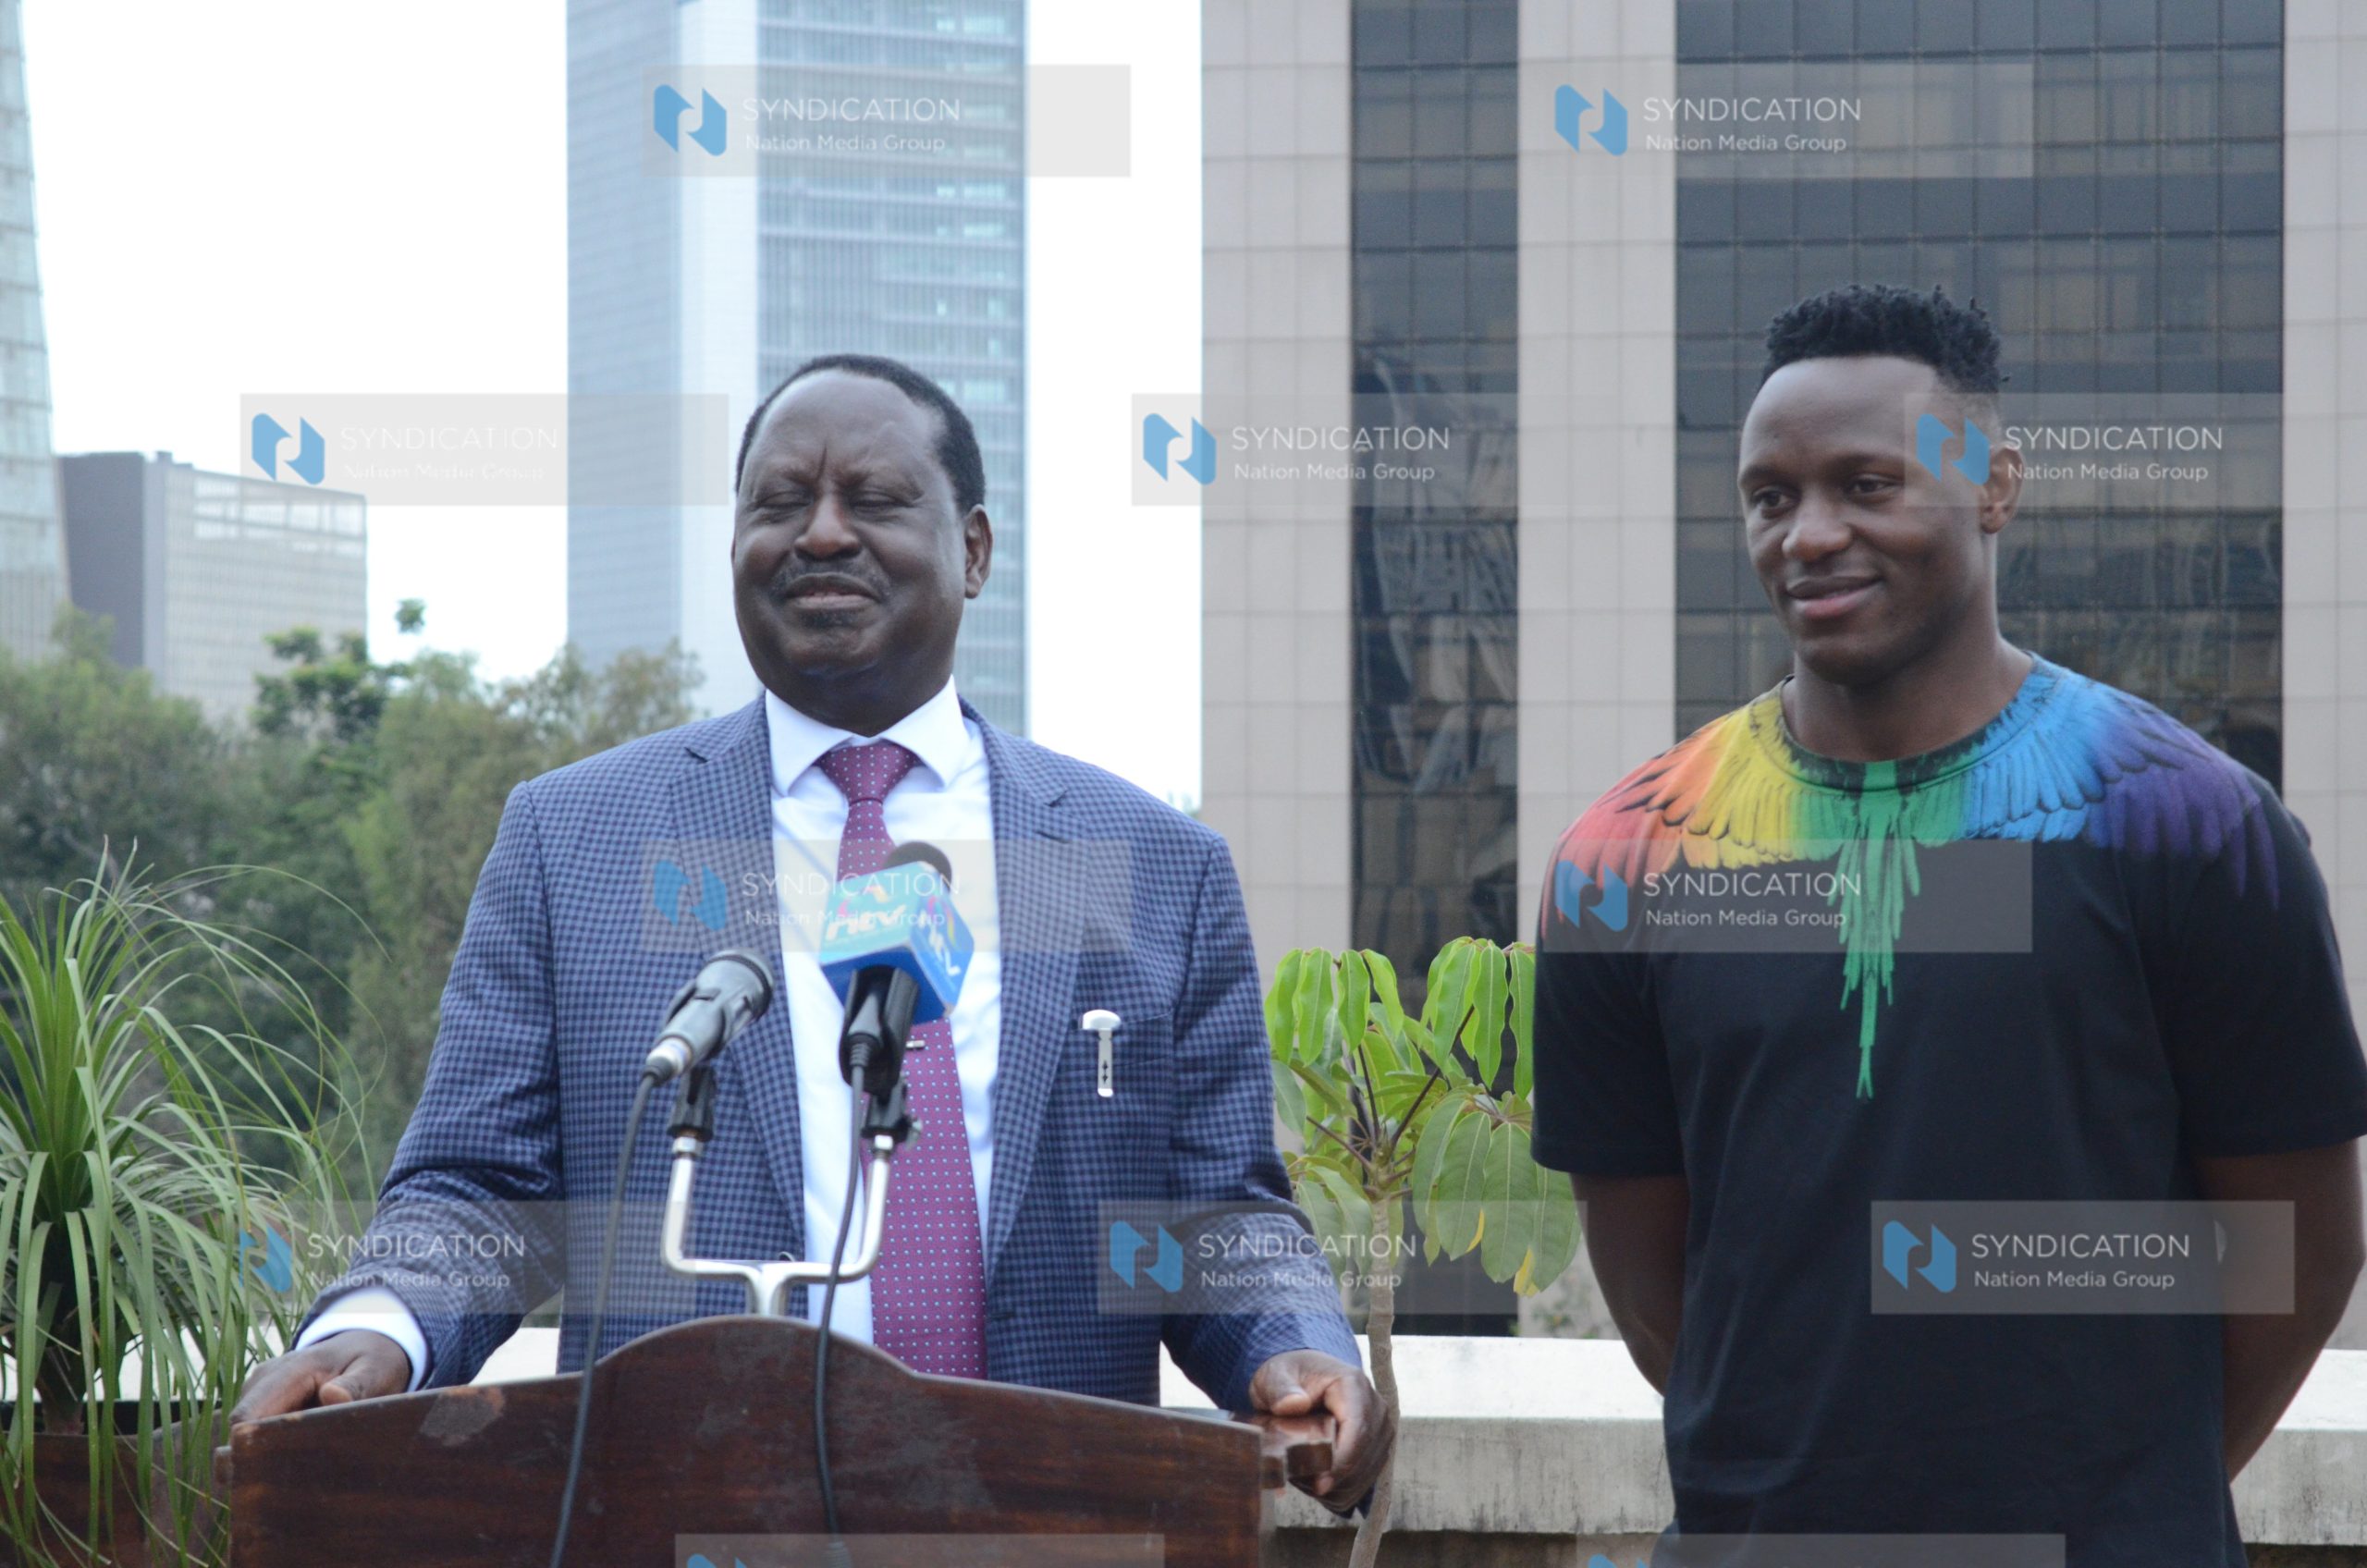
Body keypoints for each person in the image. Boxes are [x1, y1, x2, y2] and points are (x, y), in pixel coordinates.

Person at [231, 353, 1390, 1512]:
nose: (821, 535)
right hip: (686, 1518)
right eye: (779, 504)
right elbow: (481, 1187)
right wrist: (379, 1329)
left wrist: (1291, 1343)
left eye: (875, 501)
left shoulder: (1144, 864)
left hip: (1046, 1522)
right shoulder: (573, 841)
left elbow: (1214, 1210)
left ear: (974, 550)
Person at [1530, 285, 2367, 1562]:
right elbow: (1660, 1295)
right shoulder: (1628, 855)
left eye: (1868, 485)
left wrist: (2126, 1503)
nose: (1809, 535)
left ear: (1994, 483)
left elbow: (2299, 1250)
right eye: (1772, 496)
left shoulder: (2190, 826)